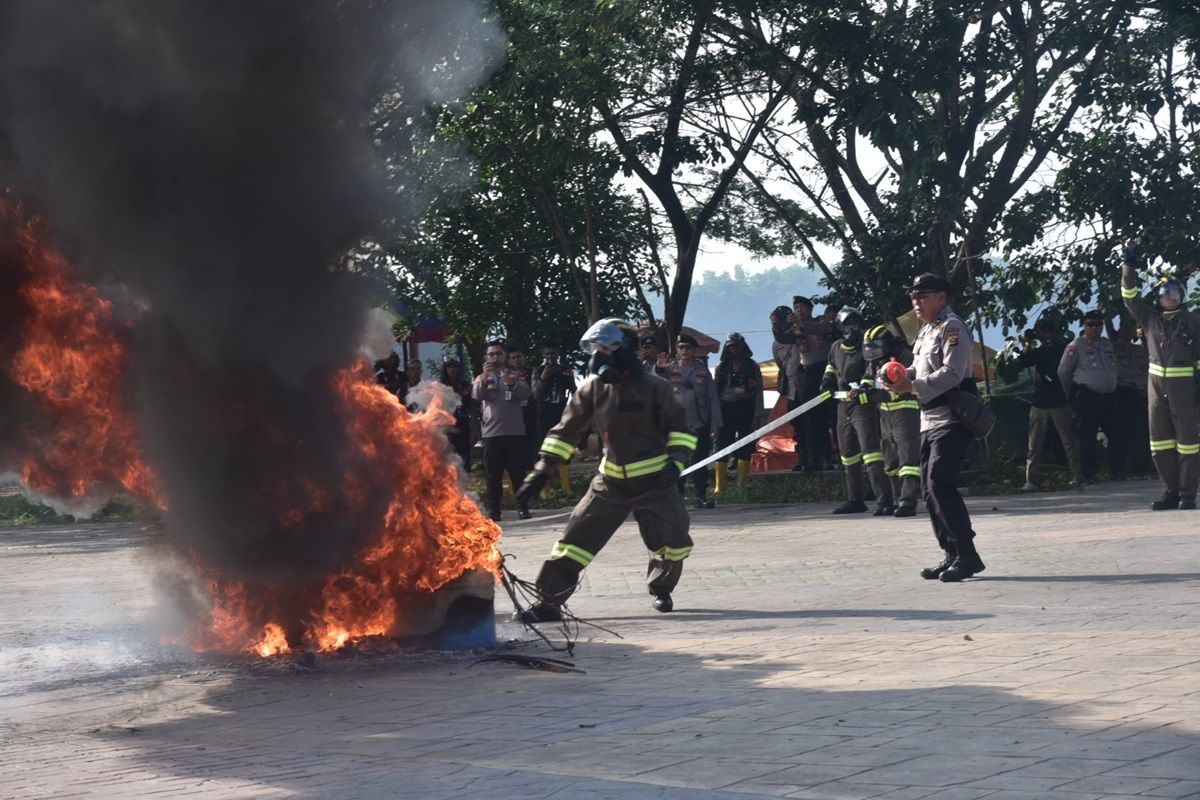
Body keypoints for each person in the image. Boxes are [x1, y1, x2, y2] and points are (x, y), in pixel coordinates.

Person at [513, 318, 698, 622]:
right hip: (610, 483)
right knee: (574, 542)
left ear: (626, 351)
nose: (599, 358)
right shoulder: (592, 388)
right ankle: (548, 603)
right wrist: (542, 470)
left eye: (606, 350)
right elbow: (565, 431)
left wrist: (675, 463)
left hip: (656, 484)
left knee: (673, 539)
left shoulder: (655, 388)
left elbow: (682, 430)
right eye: (596, 350)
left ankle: (661, 587)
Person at [882, 273, 985, 582]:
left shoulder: (953, 328)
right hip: (930, 420)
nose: (916, 302)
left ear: (942, 297)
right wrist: (893, 376)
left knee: (940, 482)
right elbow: (917, 369)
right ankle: (951, 552)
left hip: (953, 418)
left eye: (923, 296)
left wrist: (911, 387)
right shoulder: (927, 331)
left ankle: (968, 555)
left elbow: (952, 373)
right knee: (929, 490)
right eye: (914, 297)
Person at [1121, 242, 1200, 510]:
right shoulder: (1150, 319)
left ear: (1183, 296)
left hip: (1184, 390)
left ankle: (1188, 495)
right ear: (1159, 298)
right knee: (1160, 443)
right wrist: (1129, 268)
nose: (1171, 297)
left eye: (1175, 293)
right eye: (1166, 293)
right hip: (1156, 390)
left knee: (1188, 444)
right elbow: (1130, 297)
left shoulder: (1193, 321)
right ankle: (1170, 492)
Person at [819, 308, 894, 514]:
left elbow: (872, 370)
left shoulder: (866, 346)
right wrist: (827, 381)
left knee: (871, 454)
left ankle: (885, 500)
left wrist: (864, 386)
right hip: (842, 406)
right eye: (847, 325)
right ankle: (855, 499)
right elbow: (831, 367)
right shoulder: (835, 347)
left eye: (855, 325)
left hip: (863, 406)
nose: (851, 330)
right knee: (848, 455)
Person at [1015, 317, 1084, 490]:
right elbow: (1023, 362)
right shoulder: (1037, 352)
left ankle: (1079, 476)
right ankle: (1031, 480)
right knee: (1034, 444)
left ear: (1053, 333)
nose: (1043, 336)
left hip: (1059, 400)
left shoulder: (1062, 349)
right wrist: (1028, 342)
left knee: (1069, 441)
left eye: (1046, 332)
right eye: (1041, 332)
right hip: (1039, 401)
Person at [1058, 311, 1125, 482]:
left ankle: (1117, 471)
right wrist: (1071, 397)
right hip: (1087, 396)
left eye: (1098, 324)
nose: (1094, 328)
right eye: (1090, 324)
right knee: (1087, 436)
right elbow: (1063, 372)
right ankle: (1089, 474)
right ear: (1084, 326)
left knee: (1118, 433)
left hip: (1108, 396)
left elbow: (1113, 368)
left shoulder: (1107, 345)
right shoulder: (1076, 345)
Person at [862, 325, 920, 517]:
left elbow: (899, 390)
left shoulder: (904, 358)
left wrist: (873, 395)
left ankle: (908, 502)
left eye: (876, 348)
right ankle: (896, 501)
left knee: (908, 460)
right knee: (891, 462)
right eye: (869, 349)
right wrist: (862, 389)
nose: (873, 353)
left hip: (905, 413)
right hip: (885, 415)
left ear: (887, 345)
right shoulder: (876, 358)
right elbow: (868, 378)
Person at [771, 296, 834, 471]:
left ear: (810, 309)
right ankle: (810, 459)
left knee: (824, 418)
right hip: (806, 376)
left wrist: (802, 324)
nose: (799, 311)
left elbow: (825, 328)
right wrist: (777, 325)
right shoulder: (795, 329)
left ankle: (826, 458)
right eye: (796, 308)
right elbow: (783, 339)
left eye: (802, 307)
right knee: (808, 420)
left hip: (824, 371)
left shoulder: (819, 321)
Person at [472, 340, 532, 521]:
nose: (495, 357)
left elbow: (526, 394)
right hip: (492, 434)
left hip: (515, 433)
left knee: (518, 474)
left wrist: (512, 384)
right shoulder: (480, 377)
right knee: (493, 475)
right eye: (492, 354)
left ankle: (522, 507)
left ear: (505, 356)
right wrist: (484, 377)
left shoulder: (516, 374)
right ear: (486, 357)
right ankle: (494, 511)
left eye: (499, 353)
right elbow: (477, 396)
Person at [664, 333, 722, 509]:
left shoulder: (702, 371)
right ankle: (677, 498)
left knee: (700, 461)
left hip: (699, 423)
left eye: (688, 348)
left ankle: (700, 496)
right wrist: (658, 369)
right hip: (675, 425)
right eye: (681, 347)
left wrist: (716, 423)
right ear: (677, 350)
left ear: (694, 350)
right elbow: (654, 383)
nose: (685, 351)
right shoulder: (668, 369)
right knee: (675, 461)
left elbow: (713, 398)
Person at [714, 332, 763, 483]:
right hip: (726, 408)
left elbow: (758, 391)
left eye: (737, 346)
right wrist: (715, 416)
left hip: (746, 407)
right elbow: (715, 392)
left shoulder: (752, 365)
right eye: (731, 346)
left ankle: (741, 484)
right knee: (722, 443)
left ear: (743, 347)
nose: (734, 349)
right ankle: (719, 485)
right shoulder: (721, 366)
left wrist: (757, 413)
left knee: (746, 443)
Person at [1113, 321, 1152, 475]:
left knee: (1141, 432)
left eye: (1131, 328)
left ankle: (1140, 469)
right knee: (1120, 432)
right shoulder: (1113, 349)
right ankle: (1118, 470)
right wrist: (1136, 377)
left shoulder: (1141, 350)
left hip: (1140, 394)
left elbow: (1149, 370)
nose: (1128, 331)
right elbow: (1118, 372)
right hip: (1121, 393)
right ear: (1119, 329)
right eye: (1125, 328)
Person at [532, 343, 576, 442]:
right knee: (543, 441)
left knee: (561, 439)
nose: (550, 356)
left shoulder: (565, 369)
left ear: (557, 354)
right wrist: (543, 377)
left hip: (560, 408)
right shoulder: (538, 370)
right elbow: (536, 394)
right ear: (543, 355)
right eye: (547, 354)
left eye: (553, 353)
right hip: (544, 410)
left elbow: (573, 389)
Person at [507, 345, 538, 474]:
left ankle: (537, 476)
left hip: (533, 413)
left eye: (519, 356)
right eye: (513, 358)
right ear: (509, 361)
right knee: (518, 447)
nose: (517, 360)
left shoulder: (533, 372)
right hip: (515, 415)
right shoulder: (507, 375)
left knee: (534, 445)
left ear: (524, 358)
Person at [439, 359, 473, 472]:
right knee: (448, 456)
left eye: (454, 367)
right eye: (449, 367)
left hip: (462, 423)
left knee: (464, 455)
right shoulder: (441, 385)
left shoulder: (465, 384)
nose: (452, 370)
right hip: (446, 425)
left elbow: (471, 403)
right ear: (445, 369)